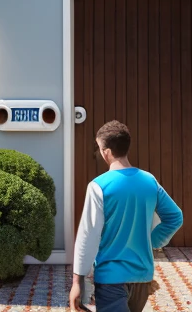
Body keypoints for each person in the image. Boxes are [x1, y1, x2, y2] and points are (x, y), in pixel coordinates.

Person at [70, 120, 183, 312]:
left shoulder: (98, 186)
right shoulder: (149, 181)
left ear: (106, 151)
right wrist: (151, 241)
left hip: (111, 279)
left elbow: (87, 237)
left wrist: (77, 282)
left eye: (98, 148)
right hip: (142, 277)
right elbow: (175, 217)